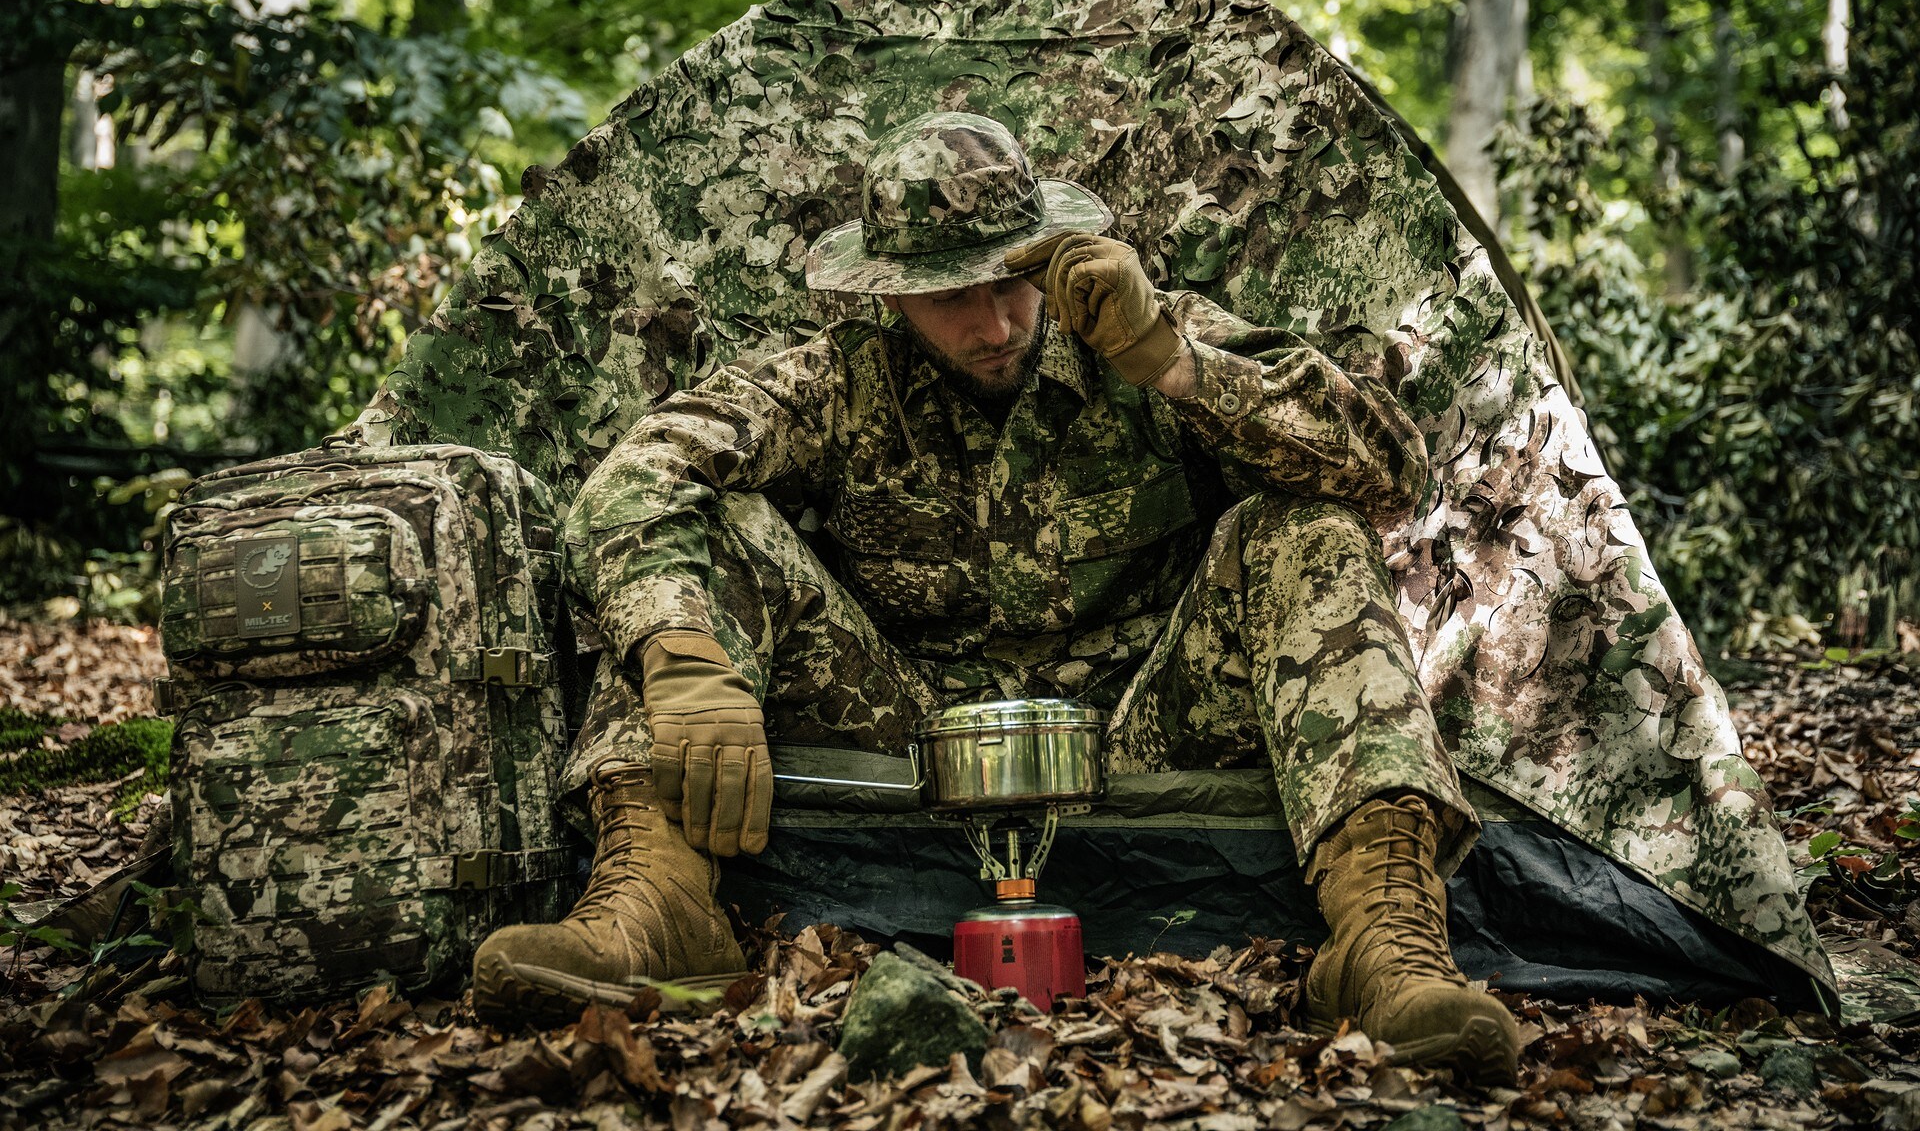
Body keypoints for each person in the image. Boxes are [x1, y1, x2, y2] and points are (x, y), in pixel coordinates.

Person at [471, 111, 1523, 1081]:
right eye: (950, 297)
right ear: (889, 296)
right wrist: (681, 657)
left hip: (1148, 726)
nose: (993, 323)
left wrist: (1175, 363)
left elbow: (1391, 469)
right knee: (706, 540)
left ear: (1050, 254)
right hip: (910, 733)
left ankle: (1386, 938)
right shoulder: (840, 382)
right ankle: (651, 903)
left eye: (1011, 282)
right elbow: (635, 478)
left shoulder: (1140, 330)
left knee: (1305, 531)